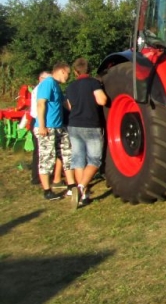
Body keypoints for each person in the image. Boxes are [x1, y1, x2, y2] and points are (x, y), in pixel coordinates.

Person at [65, 58, 107, 208]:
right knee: (95, 160)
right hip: (91, 125)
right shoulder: (93, 83)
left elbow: (69, 106)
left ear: (75, 72)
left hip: (74, 126)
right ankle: (81, 187)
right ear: (89, 70)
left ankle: (84, 195)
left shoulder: (70, 87)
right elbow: (102, 100)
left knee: (78, 159)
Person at [35, 62, 73, 201]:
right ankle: (47, 190)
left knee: (67, 153)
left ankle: (71, 185)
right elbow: (41, 104)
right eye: (68, 74)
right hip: (47, 127)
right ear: (62, 71)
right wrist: (42, 126)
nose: (68, 77)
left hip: (59, 126)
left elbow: (65, 104)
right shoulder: (48, 83)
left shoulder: (57, 86)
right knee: (47, 157)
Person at [28, 71, 50, 185]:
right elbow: (41, 106)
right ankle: (36, 177)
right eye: (46, 79)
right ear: (40, 78)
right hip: (38, 121)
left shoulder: (39, 88)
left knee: (40, 150)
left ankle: (38, 175)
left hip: (37, 120)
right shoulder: (40, 90)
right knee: (39, 150)